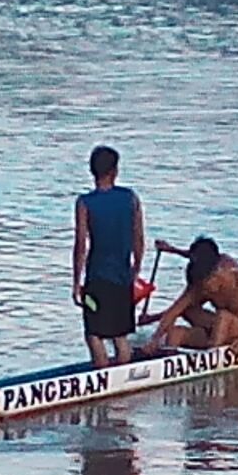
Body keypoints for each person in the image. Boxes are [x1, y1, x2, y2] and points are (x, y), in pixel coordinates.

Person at [73, 145, 144, 368]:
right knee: (120, 335)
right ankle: (124, 381)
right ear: (114, 171)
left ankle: (103, 377)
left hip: (97, 279)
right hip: (122, 277)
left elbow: (81, 246)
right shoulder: (130, 198)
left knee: (94, 333)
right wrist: (137, 267)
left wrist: (76, 282)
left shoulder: (85, 202)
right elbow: (139, 238)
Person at [147, 239, 238, 351]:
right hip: (223, 331)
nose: (205, 292)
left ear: (214, 274)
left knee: (223, 316)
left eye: (206, 287)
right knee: (178, 327)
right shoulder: (200, 282)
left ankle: (213, 353)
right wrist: (155, 338)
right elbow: (173, 311)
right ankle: (167, 354)